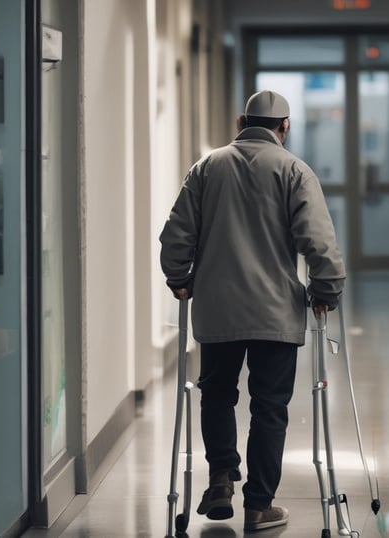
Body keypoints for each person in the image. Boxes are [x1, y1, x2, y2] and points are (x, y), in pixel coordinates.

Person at [159, 89, 345, 532]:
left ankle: (221, 479)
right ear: (284, 127)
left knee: (217, 394)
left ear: (241, 121)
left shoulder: (206, 167)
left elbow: (176, 233)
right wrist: (326, 290)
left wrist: (179, 277)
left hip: (218, 311)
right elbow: (318, 242)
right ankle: (259, 506)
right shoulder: (294, 170)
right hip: (274, 315)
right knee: (269, 408)